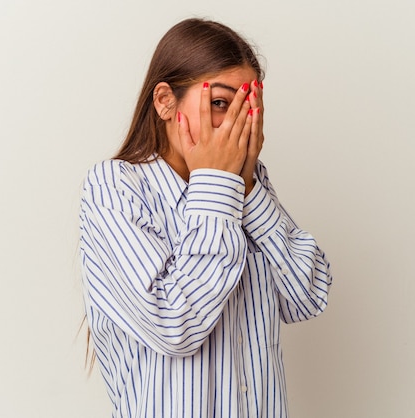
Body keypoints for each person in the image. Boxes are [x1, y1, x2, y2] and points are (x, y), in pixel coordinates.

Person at [79, 17, 332, 418]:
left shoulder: (248, 186)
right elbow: (174, 324)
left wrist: (245, 188)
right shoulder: (114, 186)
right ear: (165, 101)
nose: (235, 126)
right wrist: (217, 185)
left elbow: (309, 295)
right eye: (219, 103)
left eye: (246, 109)